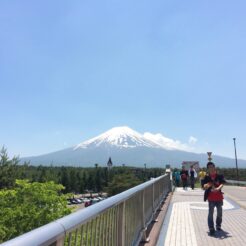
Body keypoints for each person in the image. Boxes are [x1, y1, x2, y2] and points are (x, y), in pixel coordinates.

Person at [203, 162, 225, 236]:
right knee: (210, 213)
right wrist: (207, 185)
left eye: (212, 167)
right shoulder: (206, 177)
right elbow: (203, 186)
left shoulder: (219, 176)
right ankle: (211, 228)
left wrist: (218, 188)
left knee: (219, 213)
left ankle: (218, 225)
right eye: (209, 167)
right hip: (211, 198)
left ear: (214, 167)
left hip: (219, 198)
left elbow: (222, 183)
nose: (211, 168)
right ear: (208, 169)